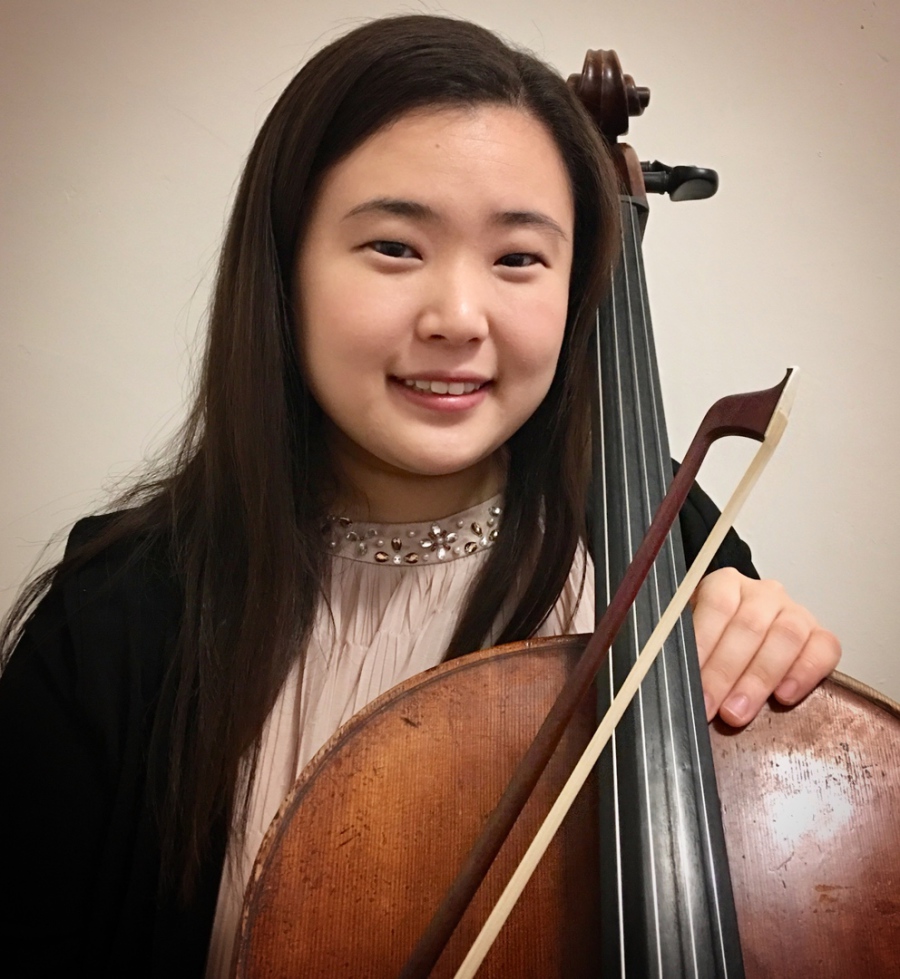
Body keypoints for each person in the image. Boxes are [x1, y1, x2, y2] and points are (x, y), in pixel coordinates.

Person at [0, 14, 840, 978]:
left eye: (518, 257)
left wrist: (768, 659)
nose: (458, 318)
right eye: (396, 246)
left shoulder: (667, 549)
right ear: (284, 267)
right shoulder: (113, 618)